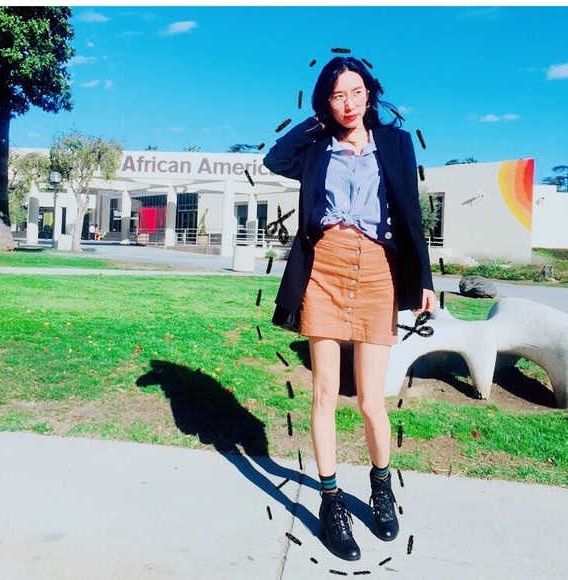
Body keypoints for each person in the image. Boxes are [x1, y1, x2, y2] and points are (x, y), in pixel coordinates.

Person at [263, 56, 435, 562]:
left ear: (370, 93)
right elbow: (275, 158)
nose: (349, 104)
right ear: (326, 102)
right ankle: (331, 501)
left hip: (379, 271)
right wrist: (317, 119)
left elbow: (410, 212)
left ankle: (381, 487)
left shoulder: (395, 144)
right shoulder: (318, 147)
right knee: (323, 393)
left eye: (356, 92)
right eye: (338, 95)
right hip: (325, 269)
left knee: (370, 401)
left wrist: (424, 280)